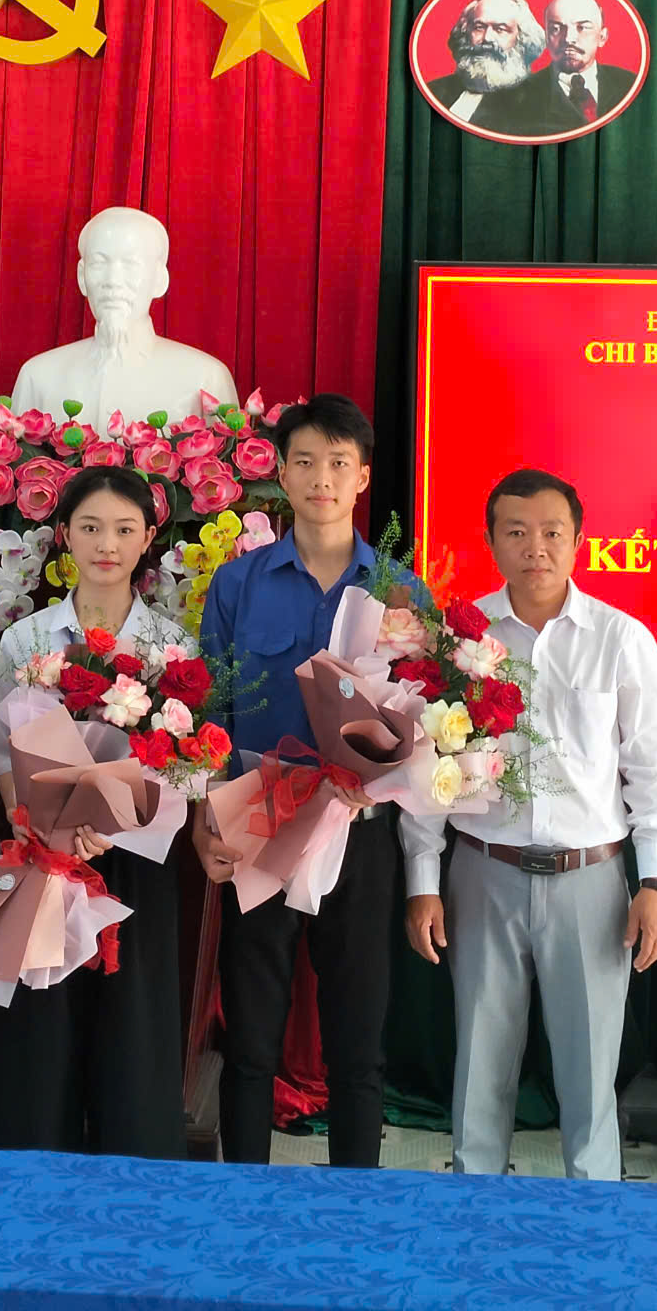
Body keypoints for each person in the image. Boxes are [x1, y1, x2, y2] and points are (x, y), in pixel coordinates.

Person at [401, 468, 657, 1182]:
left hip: (591, 882)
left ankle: (592, 1213)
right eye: (517, 532)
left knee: (589, 1073)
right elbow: (426, 768)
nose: (536, 548)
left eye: (553, 532)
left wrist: (655, 884)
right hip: (483, 873)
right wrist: (423, 882)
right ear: (492, 541)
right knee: (479, 1066)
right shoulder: (458, 640)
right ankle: (474, 1206)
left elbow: (651, 774)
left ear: (578, 540)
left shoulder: (621, 640)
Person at [192, 394, 410, 1169]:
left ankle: (353, 1207)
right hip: (261, 816)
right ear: (281, 474)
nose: (323, 478)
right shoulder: (237, 585)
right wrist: (206, 818)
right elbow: (210, 712)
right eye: (306, 461)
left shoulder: (401, 592)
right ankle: (243, 1198)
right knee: (251, 1036)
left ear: (363, 477)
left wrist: (381, 780)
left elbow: (422, 720)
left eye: (339, 463)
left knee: (358, 1039)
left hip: (359, 830)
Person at [0, 467, 193, 1158]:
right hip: (45, 857)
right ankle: (32, 1170)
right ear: (63, 534)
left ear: (148, 538)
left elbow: (189, 762)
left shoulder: (172, 647)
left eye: (125, 530)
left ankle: (136, 1176)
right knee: (44, 1026)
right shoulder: (27, 641)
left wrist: (110, 823)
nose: (107, 545)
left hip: (135, 855)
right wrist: (44, 823)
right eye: (91, 528)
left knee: (134, 1025)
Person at [8, 207, 238, 427]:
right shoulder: (38, 377)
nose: (113, 280)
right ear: (81, 277)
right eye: (99, 263)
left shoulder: (205, 379)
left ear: (160, 279)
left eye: (130, 264)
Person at [487, 0, 639, 136]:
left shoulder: (629, 84)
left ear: (602, 37)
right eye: (556, 29)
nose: (568, 38)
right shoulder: (516, 98)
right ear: (546, 36)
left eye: (582, 27)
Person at [426, 0, 545, 127]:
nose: (487, 38)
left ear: (522, 38)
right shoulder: (435, 90)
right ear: (465, 32)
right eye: (479, 27)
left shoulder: (540, 102)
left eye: (500, 29)